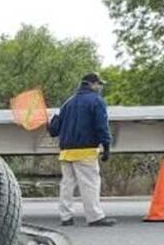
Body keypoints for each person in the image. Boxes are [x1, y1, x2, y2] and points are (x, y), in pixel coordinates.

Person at [47, 72, 116, 227]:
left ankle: (66, 217)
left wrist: (48, 124)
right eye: (99, 84)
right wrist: (106, 146)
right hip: (85, 150)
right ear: (92, 84)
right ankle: (94, 217)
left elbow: (53, 130)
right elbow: (101, 126)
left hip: (65, 151)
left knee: (67, 185)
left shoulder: (67, 103)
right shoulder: (97, 101)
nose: (100, 87)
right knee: (90, 183)